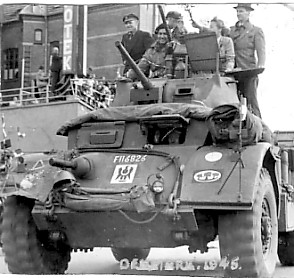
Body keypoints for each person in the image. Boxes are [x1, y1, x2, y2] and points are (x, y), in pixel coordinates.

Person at [230, 3, 265, 118]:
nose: (238, 14)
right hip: (234, 72)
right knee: (235, 104)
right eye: (237, 11)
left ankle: (261, 130)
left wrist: (260, 67)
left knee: (251, 101)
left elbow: (261, 51)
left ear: (248, 13)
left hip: (249, 72)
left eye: (241, 11)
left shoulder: (255, 31)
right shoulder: (232, 31)